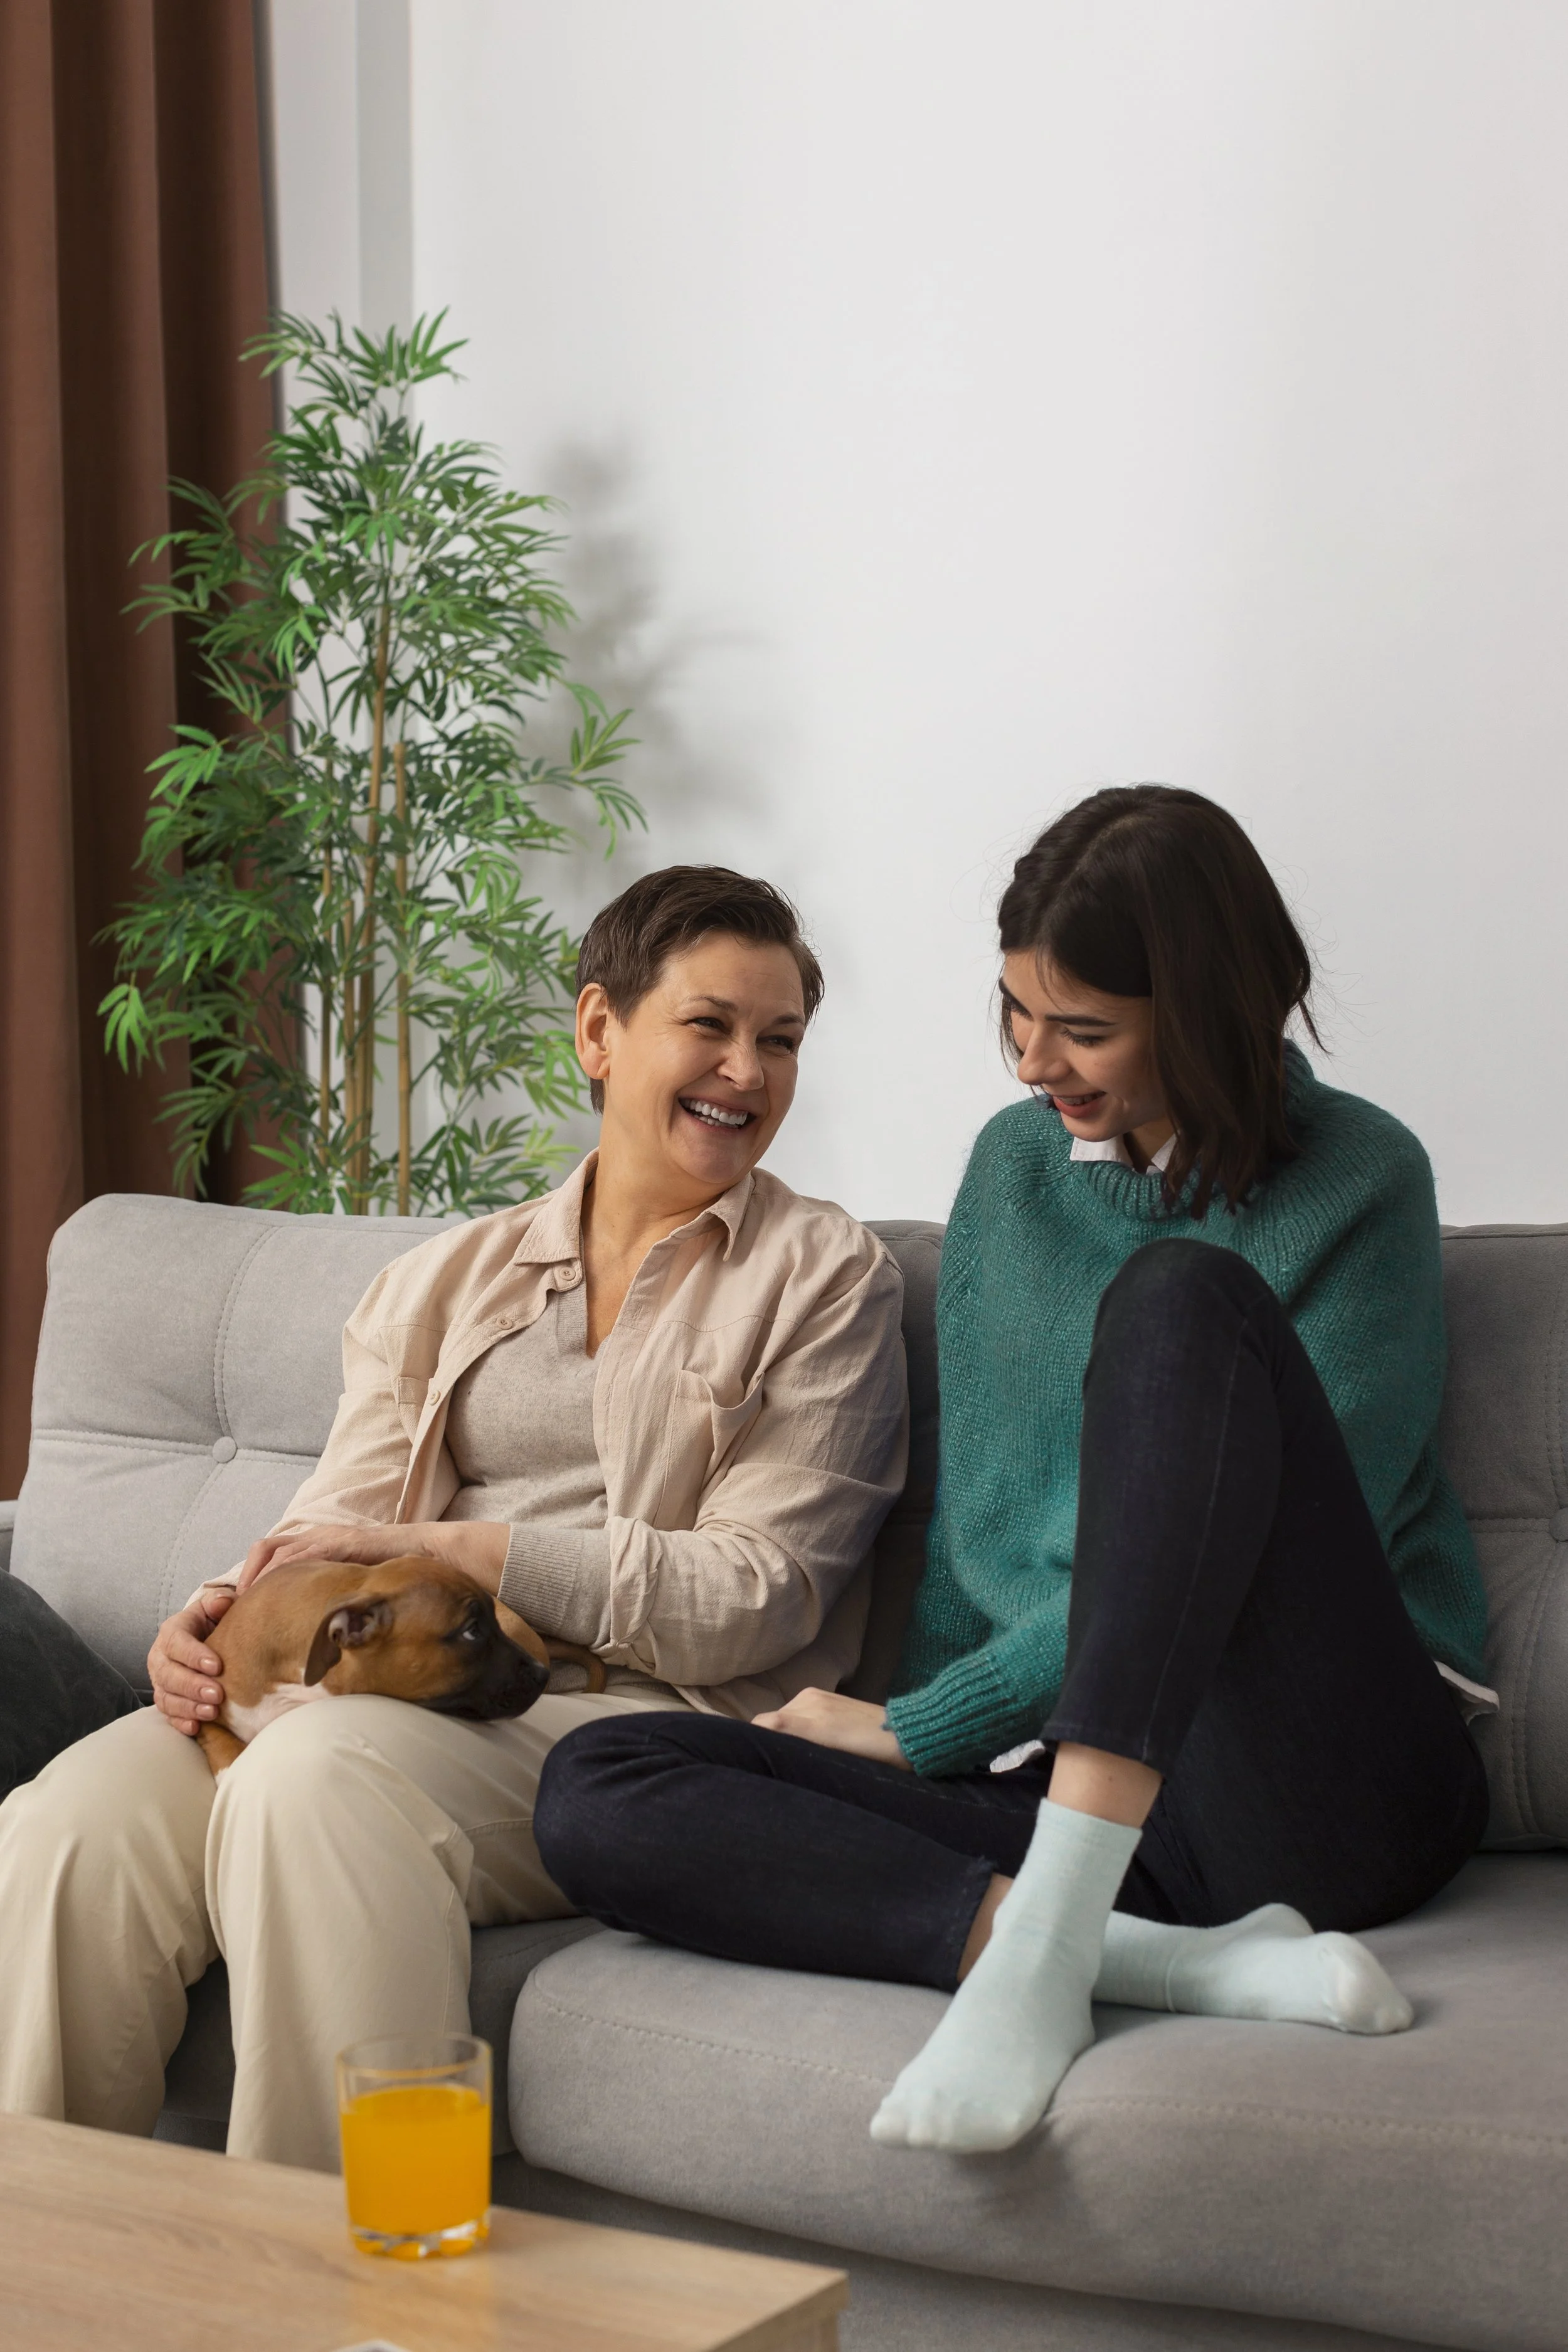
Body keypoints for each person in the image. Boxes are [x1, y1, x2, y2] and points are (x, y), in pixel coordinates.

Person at [532, 787, 1494, 2156]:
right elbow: (979, 1525)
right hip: (1074, 1809)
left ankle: (1041, 1954)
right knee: (599, 1789)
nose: (1036, 1062)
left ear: (1211, 1009)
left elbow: (1244, 1540)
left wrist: (926, 1728)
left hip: (1315, 1776)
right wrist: (920, 1728)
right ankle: (1134, 1959)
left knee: (1178, 1301)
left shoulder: (1360, 1179)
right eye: (1015, 1014)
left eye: (1084, 1029)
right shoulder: (1012, 1171)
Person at [0, 866, 907, 2171]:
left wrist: (465, 1553)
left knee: (313, 1784)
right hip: (401, 1683)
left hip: (643, 1726)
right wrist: (219, 1617)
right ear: (600, 1031)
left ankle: (333, 2304)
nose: (746, 1071)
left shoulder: (823, 1280)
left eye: (779, 1041)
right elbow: (340, 1525)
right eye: (708, 1025)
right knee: (67, 1823)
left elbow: (757, 1596)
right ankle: (52, 2291)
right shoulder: (441, 1281)